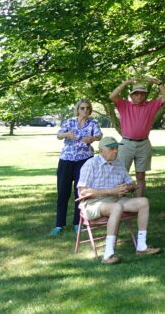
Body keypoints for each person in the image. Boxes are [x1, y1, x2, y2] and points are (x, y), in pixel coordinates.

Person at [77, 136, 163, 264]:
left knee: (143, 202)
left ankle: (141, 246)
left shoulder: (118, 163)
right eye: (111, 149)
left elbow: (132, 185)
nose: (115, 152)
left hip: (115, 199)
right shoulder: (91, 164)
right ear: (101, 151)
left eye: (116, 148)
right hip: (93, 203)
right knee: (117, 207)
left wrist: (127, 188)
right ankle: (108, 254)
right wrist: (111, 191)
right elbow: (83, 192)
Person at [109, 76, 165, 197]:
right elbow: (112, 96)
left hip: (144, 144)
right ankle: (119, 201)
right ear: (132, 95)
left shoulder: (150, 105)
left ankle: (139, 202)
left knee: (141, 176)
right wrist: (125, 83)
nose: (139, 96)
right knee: (121, 173)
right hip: (126, 144)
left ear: (145, 95)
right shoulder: (124, 105)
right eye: (136, 94)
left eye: (142, 94)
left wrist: (159, 83)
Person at [51, 99, 103, 236]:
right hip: (66, 159)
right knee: (63, 192)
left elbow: (99, 135)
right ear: (78, 109)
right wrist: (66, 134)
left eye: (87, 108)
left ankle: (77, 223)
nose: (85, 110)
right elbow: (58, 135)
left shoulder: (93, 123)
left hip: (84, 160)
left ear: (90, 110)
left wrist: (92, 138)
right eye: (82, 108)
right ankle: (59, 224)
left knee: (80, 193)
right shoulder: (70, 122)